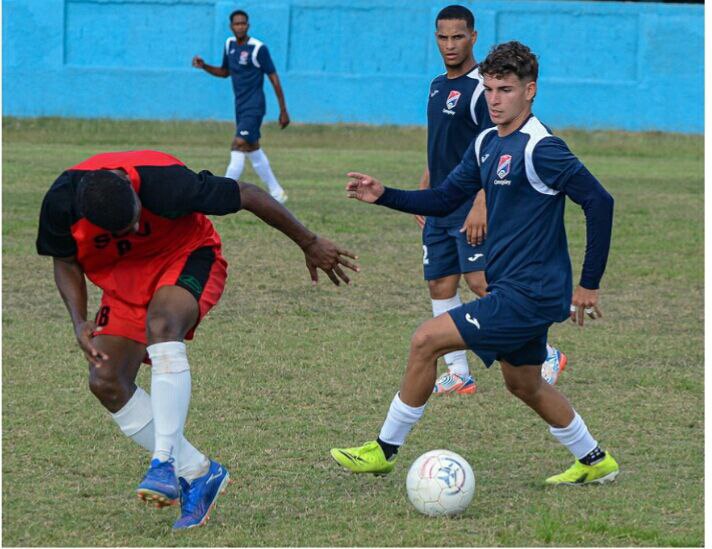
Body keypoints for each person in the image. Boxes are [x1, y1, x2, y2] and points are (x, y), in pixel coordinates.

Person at [331, 41, 619, 486]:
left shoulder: (542, 148)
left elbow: (600, 202)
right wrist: (383, 193)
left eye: (504, 89)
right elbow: (446, 196)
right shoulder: (486, 142)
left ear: (530, 91)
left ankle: (383, 450)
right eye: (488, 89)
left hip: (531, 292)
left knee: (426, 340)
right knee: (524, 384)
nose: (494, 99)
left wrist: (589, 285)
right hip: (513, 288)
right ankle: (594, 459)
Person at [36, 150, 358, 529]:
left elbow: (249, 195)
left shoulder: (167, 181)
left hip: (185, 255)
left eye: (137, 220)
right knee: (105, 380)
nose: (136, 230)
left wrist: (308, 242)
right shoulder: (61, 202)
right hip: (123, 280)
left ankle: (163, 462)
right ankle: (198, 472)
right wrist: (78, 321)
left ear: (135, 194)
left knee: (162, 325)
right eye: (124, 231)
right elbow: (65, 259)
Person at [422, 6, 566, 395]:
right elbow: (440, 143)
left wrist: (482, 202)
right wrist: (426, 188)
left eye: (458, 37)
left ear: (473, 37)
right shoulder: (438, 84)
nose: (449, 45)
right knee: (439, 282)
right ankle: (458, 373)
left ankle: (546, 351)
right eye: (442, 37)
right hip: (442, 201)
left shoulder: (481, 88)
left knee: (481, 281)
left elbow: (496, 147)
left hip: (471, 203)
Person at [193, 9, 289, 204]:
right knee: (252, 147)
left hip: (254, 106)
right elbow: (225, 72)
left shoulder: (258, 48)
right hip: (240, 105)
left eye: (243, 23)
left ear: (248, 25)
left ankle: (222, 194)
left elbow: (274, 78)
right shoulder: (229, 45)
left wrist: (283, 109)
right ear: (231, 26)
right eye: (236, 24)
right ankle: (277, 192)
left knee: (237, 144)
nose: (240, 27)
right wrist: (205, 66)